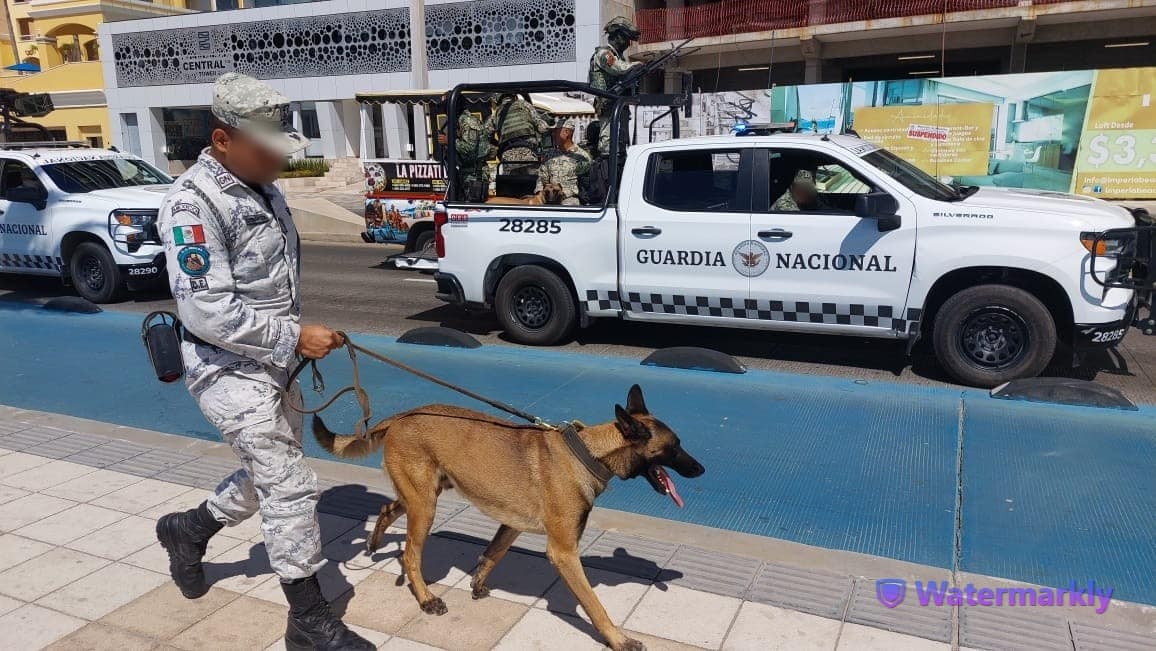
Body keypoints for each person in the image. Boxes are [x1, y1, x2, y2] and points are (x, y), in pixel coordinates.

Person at [154, 73, 373, 651]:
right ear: (223, 140)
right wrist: (294, 337)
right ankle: (307, 619)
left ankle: (189, 528)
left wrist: (290, 343)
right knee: (291, 483)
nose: (278, 158)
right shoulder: (190, 206)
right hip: (224, 368)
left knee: (266, 478)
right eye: (266, 147)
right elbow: (206, 311)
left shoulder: (263, 188)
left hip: (276, 364)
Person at [588, 17, 643, 155]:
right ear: (617, 36)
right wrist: (637, 65)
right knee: (608, 144)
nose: (628, 44)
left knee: (622, 142)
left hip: (619, 106)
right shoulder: (604, 54)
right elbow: (619, 68)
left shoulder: (619, 56)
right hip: (608, 107)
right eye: (626, 39)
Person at [484, 93, 549, 177]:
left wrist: (496, 146)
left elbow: (485, 134)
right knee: (533, 186)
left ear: (499, 99)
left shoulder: (496, 113)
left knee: (512, 188)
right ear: (515, 96)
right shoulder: (524, 105)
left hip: (508, 158)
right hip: (529, 154)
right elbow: (542, 127)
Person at [536, 118, 592, 206]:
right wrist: (540, 193)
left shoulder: (582, 157)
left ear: (566, 132)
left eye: (556, 131)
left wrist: (563, 193)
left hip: (570, 199)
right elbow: (542, 177)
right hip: (548, 197)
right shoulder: (550, 154)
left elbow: (586, 184)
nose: (553, 134)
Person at [454, 110, 495, 202]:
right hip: (467, 172)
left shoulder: (468, 121)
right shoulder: (460, 121)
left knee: (473, 208)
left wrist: (450, 141)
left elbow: (469, 147)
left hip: (475, 174)